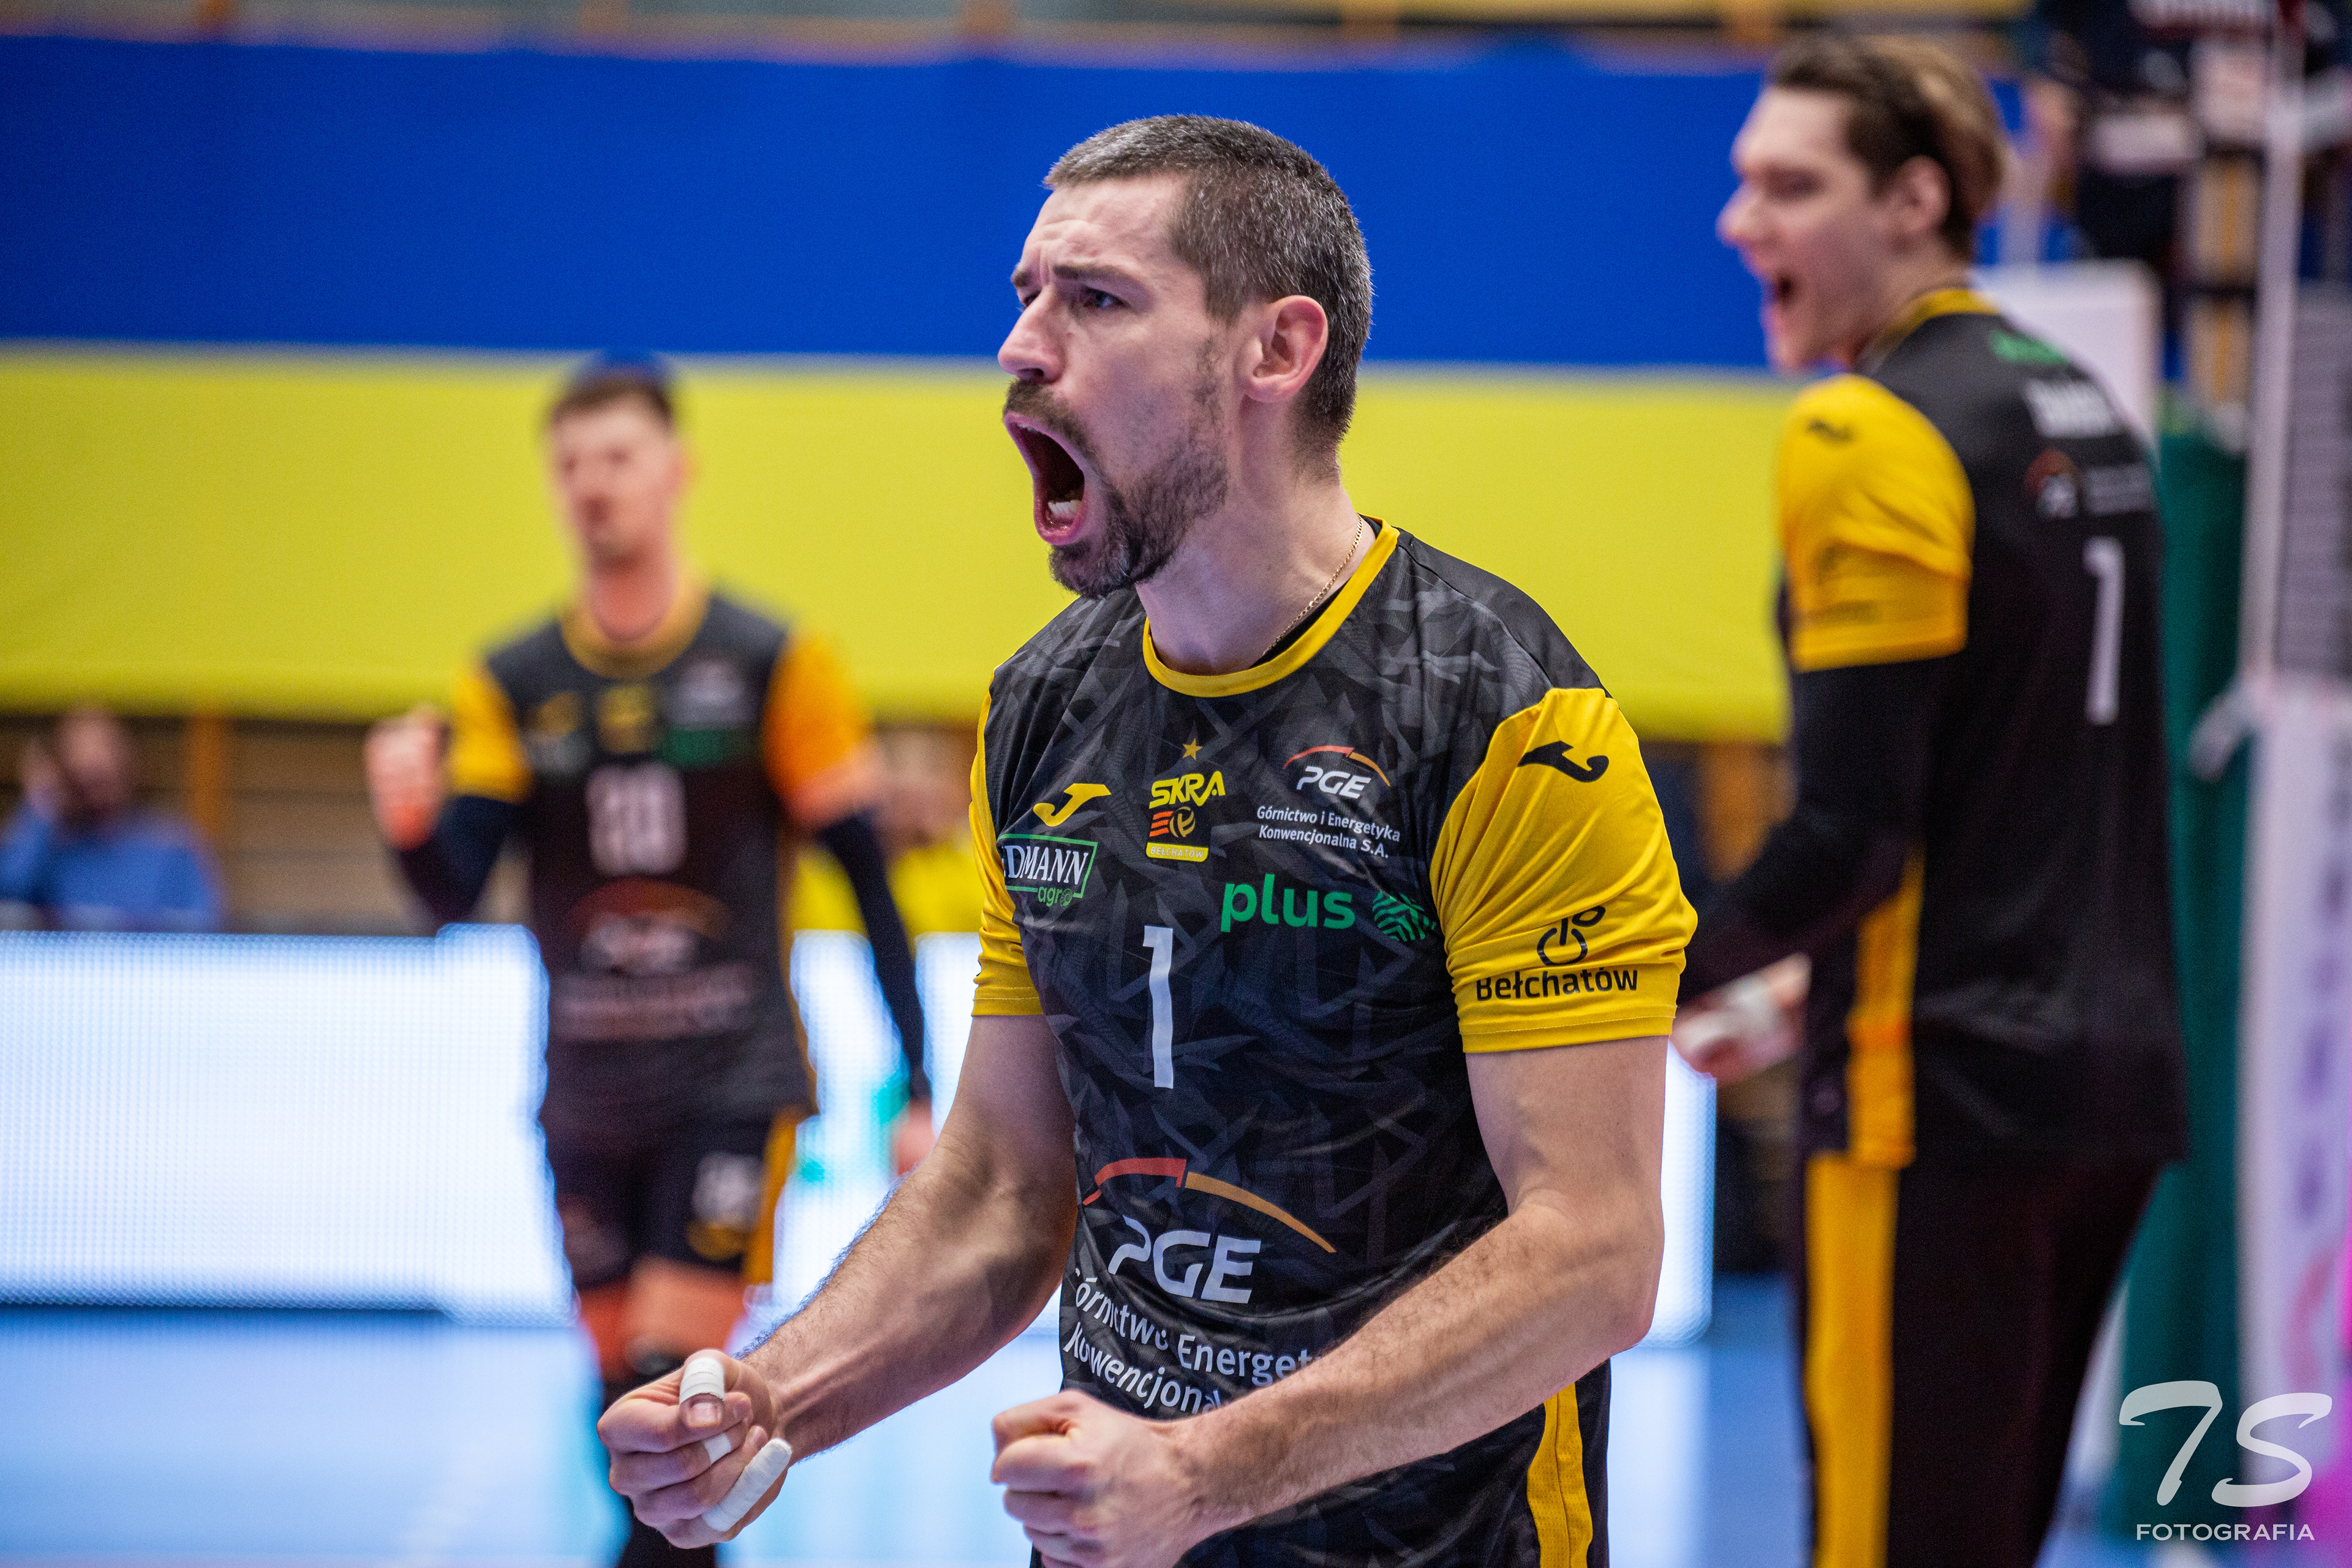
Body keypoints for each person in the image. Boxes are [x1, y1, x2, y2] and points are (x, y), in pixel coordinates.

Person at [600, 116, 1694, 1568]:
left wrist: (1203, 1470)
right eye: (1024, 296)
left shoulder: (1504, 718)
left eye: (1096, 299)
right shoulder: (1044, 708)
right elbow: (1003, 1183)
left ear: (1274, 349)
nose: (1020, 347)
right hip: (1120, 1533)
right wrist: (768, 1400)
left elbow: (1594, 1252)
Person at [1684, 37, 2188, 1568]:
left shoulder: (1862, 431)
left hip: (1936, 1095)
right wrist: (1797, 986)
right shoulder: (2079, 401)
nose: (1737, 221)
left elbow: (1849, 832)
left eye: (1788, 186)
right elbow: (2013, 783)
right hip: (2107, 1083)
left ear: (1914, 200)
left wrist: (1612, 967)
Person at [364, 357, 933, 1568]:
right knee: (618, 1407)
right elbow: (453, 892)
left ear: (677, 472)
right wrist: (409, 822)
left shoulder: (774, 659)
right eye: (570, 464)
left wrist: (919, 1081)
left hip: (729, 1079)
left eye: (618, 458)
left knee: (676, 1400)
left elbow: (869, 880)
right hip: (584, 1093)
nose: (593, 485)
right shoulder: (512, 681)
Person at [1, 705, 222, 930]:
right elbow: (9, 894)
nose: (92, 767)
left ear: (129, 759)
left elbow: (204, 932)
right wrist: (42, 803)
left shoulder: (172, 848)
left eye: (104, 750)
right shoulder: (50, 850)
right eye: (79, 760)